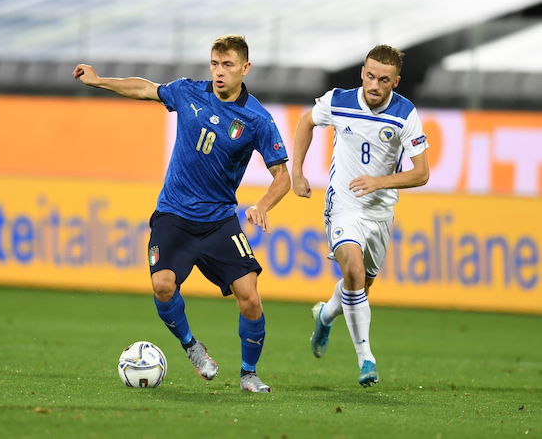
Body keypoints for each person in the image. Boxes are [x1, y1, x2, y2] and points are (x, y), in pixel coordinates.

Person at [73, 35, 291, 392]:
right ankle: (191, 346)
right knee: (162, 285)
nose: (220, 73)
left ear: (245, 68)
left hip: (219, 221)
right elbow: (146, 89)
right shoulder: (188, 92)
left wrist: (262, 205)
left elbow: (283, 176)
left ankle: (249, 374)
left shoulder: (257, 119)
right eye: (215, 64)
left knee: (250, 297)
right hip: (173, 214)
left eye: (228, 65)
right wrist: (98, 81)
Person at [292, 44, 429, 387]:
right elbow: (305, 122)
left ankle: (325, 315)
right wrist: (297, 172)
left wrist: (379, 182)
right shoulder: (338, 100)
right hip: (343, 204)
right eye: (370, 76)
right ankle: (366, 359)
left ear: (395, 81)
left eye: (383, 80)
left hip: (380, 212)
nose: (374, 85)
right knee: (351, 269)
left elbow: (421, 173)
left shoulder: (405, 114)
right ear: (362, 73)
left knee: (360, 287)